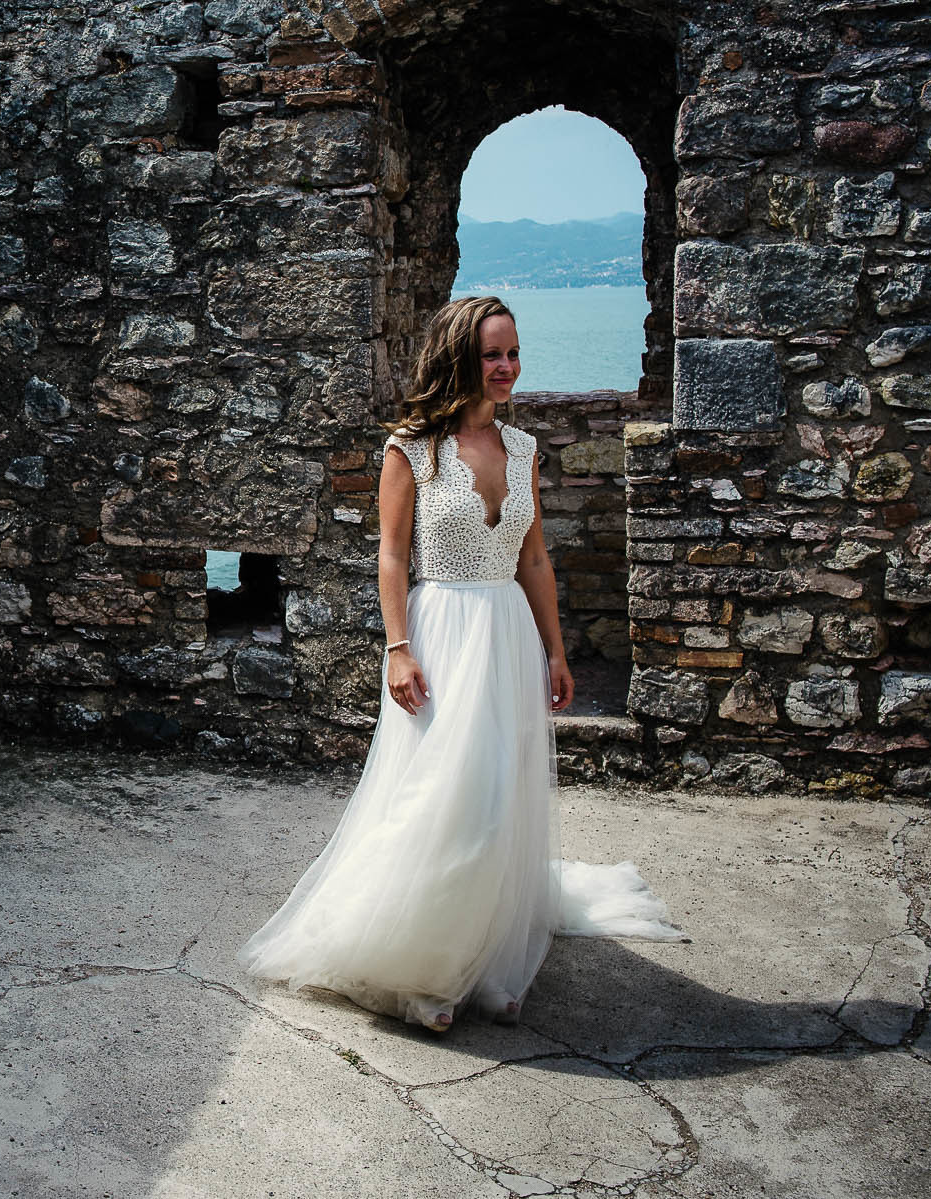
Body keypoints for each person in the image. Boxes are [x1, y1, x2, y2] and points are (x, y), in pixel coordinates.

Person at [235, 295, 686, 1033]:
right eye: (492, 354)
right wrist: (398, 647)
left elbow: (534, 556)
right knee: (445, 795)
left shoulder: (523, 449)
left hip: (506, 633)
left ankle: (485, 963)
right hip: (441, 632)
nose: (506, 367)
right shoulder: (411, 450)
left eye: (513, 353)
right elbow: (388, 555)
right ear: (461, 359)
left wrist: (557, 648)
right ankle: (423, 972)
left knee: (500, 795)